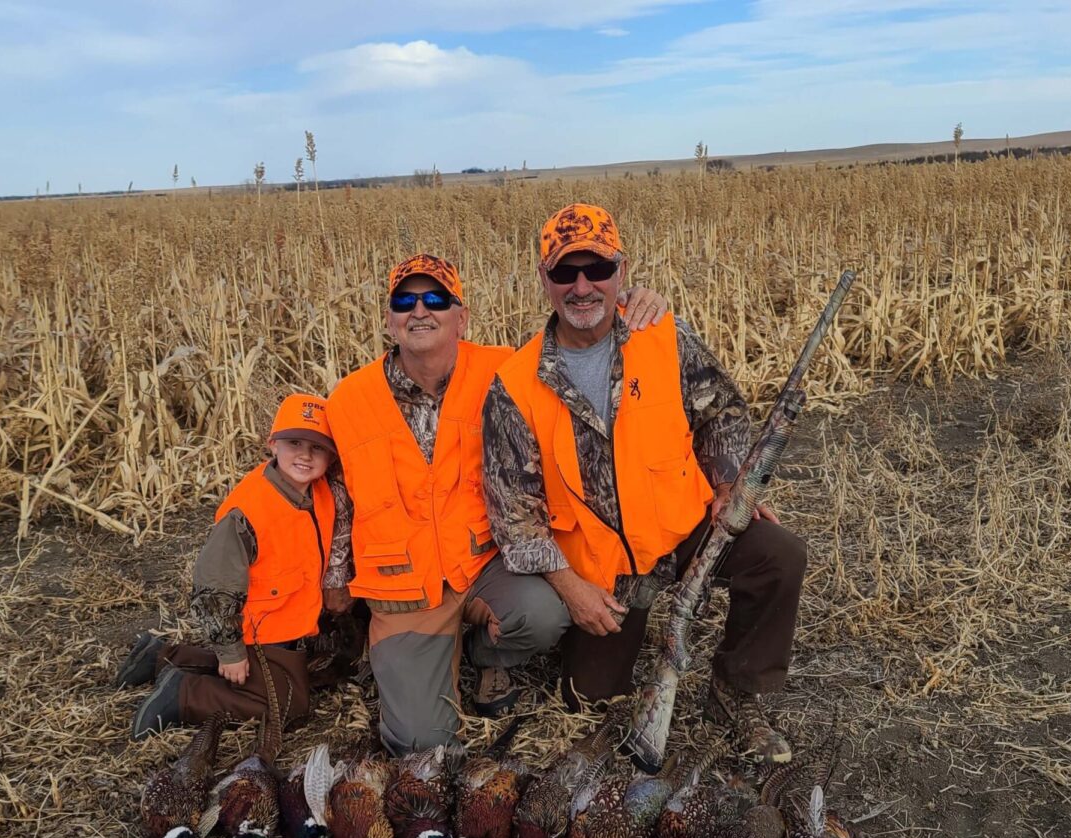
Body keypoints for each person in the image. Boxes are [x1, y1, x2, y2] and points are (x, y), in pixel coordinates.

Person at [482, 204, 807, 761]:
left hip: (684, 532)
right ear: (543, 280)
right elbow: (514, 516)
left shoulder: (664, 334)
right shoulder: (514, 386)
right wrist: (573, 590)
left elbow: (723, 412)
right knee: (588, 698)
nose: (582, 287)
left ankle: (735, 694)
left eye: (598, 269)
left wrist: (729, 484)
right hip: (604, 572)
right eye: (565, 272)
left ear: (621, 272)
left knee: (779, 554)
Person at [323, 254, 667, 757]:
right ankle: (437, 659)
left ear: (461, 317)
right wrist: (335, 577)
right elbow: (331, 492)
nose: (421, 310)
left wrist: (634, 304)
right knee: (422, 746)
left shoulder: (505, 369)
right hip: (405, 586)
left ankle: (489, 654)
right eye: (406, 300)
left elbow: (579, 338)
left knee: (546, 613)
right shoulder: (347, 400)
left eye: (436, 299)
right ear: (389, 318)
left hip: (484, 564)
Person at [119, 393, 338, 740]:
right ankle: (185, 694)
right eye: (294, 442)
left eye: (318, 447)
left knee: (310, 674)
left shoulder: (322, 492)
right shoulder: (249, 510)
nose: (305, 455)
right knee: (289, 705)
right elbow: (214, 588)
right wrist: (230, 651)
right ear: (273, 444)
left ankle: (162, 656)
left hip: (288, 628)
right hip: (256, 633)